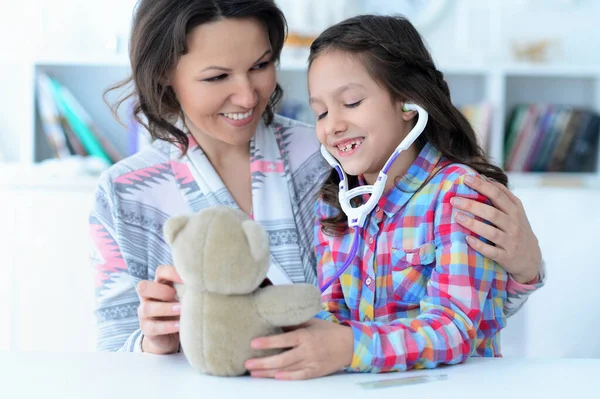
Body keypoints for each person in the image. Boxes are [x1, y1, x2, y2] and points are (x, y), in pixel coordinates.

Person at [89, 0, 544, 357]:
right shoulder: (124, 195)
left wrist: (522, 272)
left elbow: (455, 315)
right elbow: (114, 356)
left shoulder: (341, 158)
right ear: (165, 77)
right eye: (217, 76)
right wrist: (152, 344)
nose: (248, 94)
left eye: (261, 65)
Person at [243, 14, 545, 380]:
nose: (332, 124)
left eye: (351, 102)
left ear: (408, 104)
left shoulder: (459, 194)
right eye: (320, 111)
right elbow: (331, 311)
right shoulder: (337, 202)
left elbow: (453, 328)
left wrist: (349, 346)